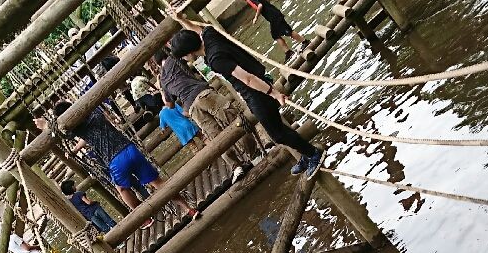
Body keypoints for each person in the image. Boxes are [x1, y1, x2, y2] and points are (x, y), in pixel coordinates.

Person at [169, 25, 321, 175]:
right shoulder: (210, 35)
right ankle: (305, 154)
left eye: (183, 56)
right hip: (260, 80)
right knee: (277, 125)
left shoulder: (215, 59)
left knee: (277, 135)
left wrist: (274, 93)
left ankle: (313, 153)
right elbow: (200, 29)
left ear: (188, 53)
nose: (184, 59)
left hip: (255, 92)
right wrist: (182, 19)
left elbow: (247, 79)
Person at [43, 101, 197, 218]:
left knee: (122, 190)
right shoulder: (93, 112)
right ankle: (188, 208)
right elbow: (92, 134)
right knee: (158, 182)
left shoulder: (76, 128)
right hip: (129, 149)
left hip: (115, 160)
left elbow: (58, 133)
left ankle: (144, 218)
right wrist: (76, 149)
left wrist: (45, 126)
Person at [156, 45, 255, 173]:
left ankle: (236, 166)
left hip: (191, 107)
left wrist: (161, 89)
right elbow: (187, 51)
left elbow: (170, 105)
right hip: (203, 94)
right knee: (235, 120)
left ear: (158, 63)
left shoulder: (163, 79)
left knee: (215, 136)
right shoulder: (174, 57)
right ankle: (254, 154)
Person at [234, 0, 303, 53]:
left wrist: (256, 17)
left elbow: (260, 6)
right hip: (274, 15)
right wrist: (267, 4)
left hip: (274, 17)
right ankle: (288, 52)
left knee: (288, 32)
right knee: (275, 35)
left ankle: (304, 42)